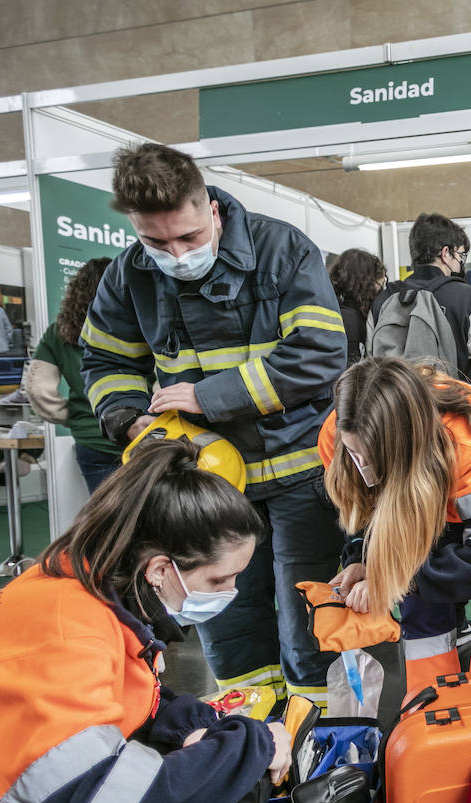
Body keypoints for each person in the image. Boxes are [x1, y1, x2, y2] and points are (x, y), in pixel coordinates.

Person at [0, 438, 290, 803]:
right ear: (160, 570)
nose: (232, 592)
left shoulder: (85, 589)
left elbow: (130, 696)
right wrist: (252, 748)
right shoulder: (65, 633)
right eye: (218, 580)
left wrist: (195, 725)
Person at [82, 142, 347, 709]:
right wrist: (133, 423)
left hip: (301, 473)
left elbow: (321, 353)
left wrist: (207, 396)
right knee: (224, 614)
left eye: (188, 238)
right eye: (156, 242)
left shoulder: (283, 249)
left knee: (311, 613)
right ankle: (247, 736)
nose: (174, 255)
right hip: (205, 480)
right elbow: (105, 363)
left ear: (212, 208)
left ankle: (319, 733)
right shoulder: (130, 274)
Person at [321, 357, 471, 686]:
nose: (363, 468)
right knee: (419, 611)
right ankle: (429, 714)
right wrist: (364, 560)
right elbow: (368, 512)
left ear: (404, 443)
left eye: (372, 457)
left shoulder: (466, 441)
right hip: (423, 493)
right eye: (354, 453)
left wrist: (397, 579)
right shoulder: (339, 433)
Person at [373, 214, 471, 399]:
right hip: (453, 416)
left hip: (397, 414)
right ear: (445, 253)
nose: (461, 263)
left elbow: (371, 367)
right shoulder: (466, 298)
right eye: (460, 255)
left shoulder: (384, 299)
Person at [27, 258, 124, 493]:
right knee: (158, 515)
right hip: (143, 434)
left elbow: (37, 389)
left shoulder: (59, 332)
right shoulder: (137, 325)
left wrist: (77, 417)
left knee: (106, 518)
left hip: (92, 438)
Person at [329, 248, 386, 366]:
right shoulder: (349, 320)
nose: (381, 290)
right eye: (380, 285)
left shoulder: (337, 311)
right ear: (365, 283)